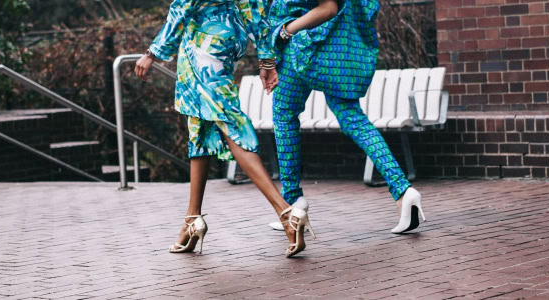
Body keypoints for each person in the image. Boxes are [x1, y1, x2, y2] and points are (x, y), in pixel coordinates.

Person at [134, 0, 313, 257]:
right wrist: (266, 59)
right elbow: (255, 8)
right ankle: (191, 220)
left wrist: (153, 53)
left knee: (230, 123)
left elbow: (182, 6)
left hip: (204, 43)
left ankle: (286, 212)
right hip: (227, 37)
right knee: (200, 127)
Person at [265, 0, 426, 234]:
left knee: (284, 117)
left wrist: (286, 30)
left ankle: (292, 203)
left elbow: (328, 7)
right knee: (353, 118)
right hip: (331, 51)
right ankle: (402, 190)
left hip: (301, 49)